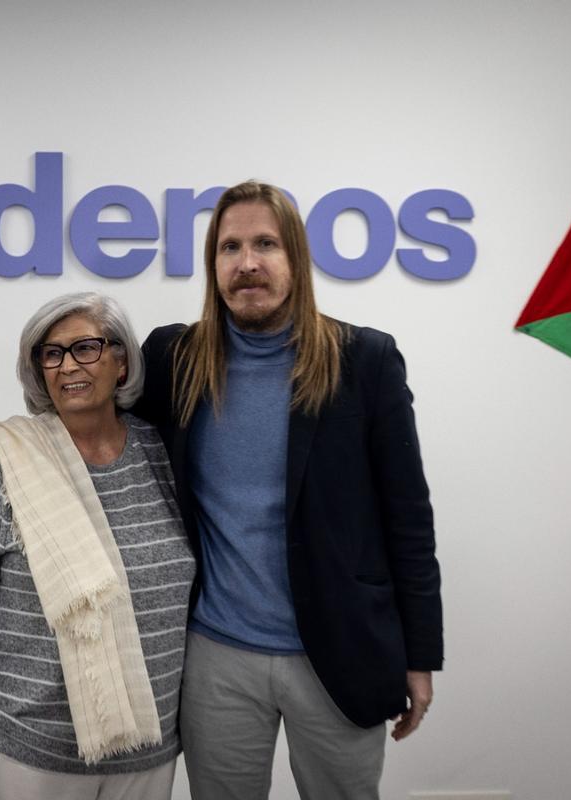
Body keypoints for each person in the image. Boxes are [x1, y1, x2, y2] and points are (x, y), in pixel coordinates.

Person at [129, 180, 444, 799]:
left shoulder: (365, 361)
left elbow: (409, 518)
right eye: (230, 247)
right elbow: (90, 429)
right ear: (212, 264)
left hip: (338, 652)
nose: (247, 263)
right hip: (215, 656)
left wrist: (420, 655)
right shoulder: (174, 358)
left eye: (266, 244)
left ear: (296, 257)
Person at [0, 292, 195, 800]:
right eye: (52, 353)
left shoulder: (166, 454)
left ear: (122, 360)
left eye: (86, 348)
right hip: (24, 755)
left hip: (150, 751)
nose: (68, 365)